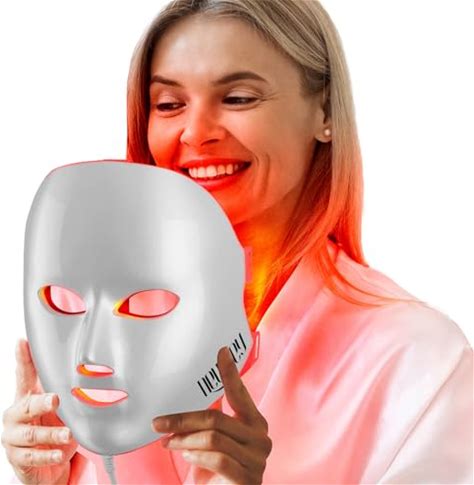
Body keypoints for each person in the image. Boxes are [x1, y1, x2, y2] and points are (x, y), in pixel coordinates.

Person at [3, 0, 472, 483]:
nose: (195, 133)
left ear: (324, 110)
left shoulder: (415, 359)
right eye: (169, 105)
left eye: (238, 98)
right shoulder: (84, 322)